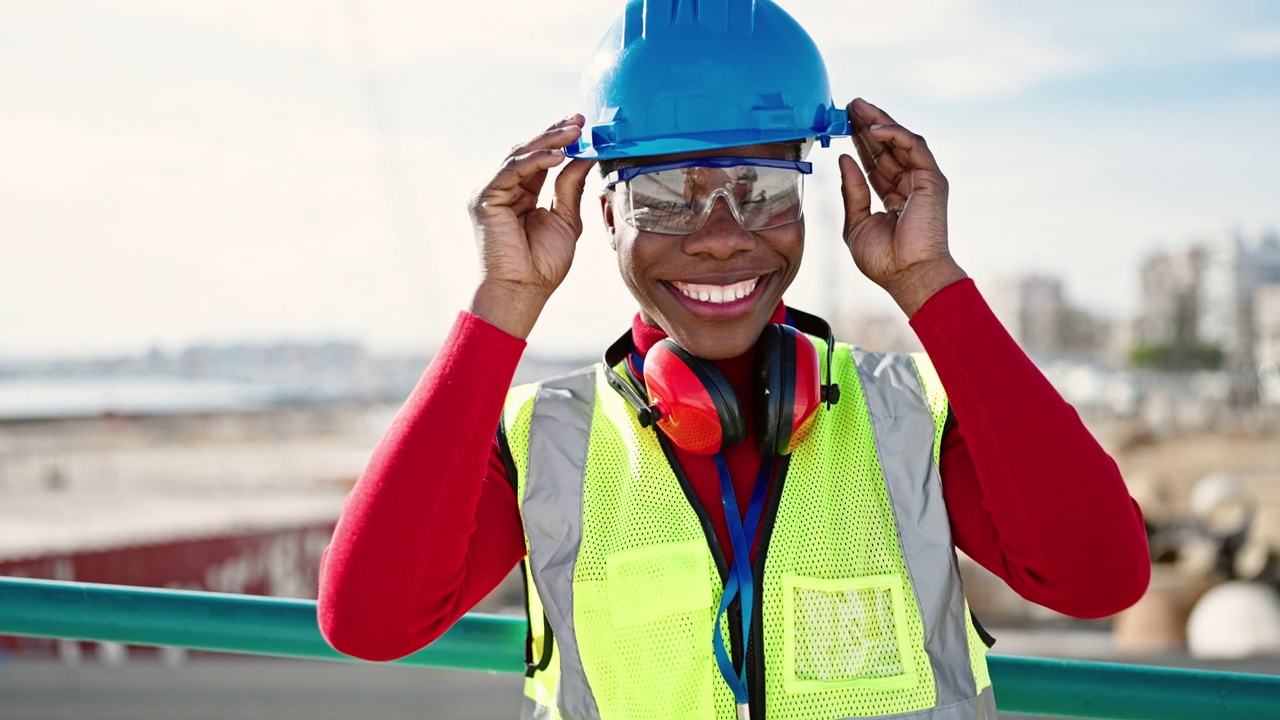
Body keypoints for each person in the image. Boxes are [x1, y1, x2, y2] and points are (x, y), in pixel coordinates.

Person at [318, 1, 1151, 718]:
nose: (719, 237)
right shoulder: (545, 442)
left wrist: (930, 282)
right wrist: (504, 299)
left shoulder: (911, 414)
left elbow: (1097, 579)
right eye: (665, 199)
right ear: (605, 216)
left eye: (761, 190)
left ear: (811, 196)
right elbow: (370, 623)